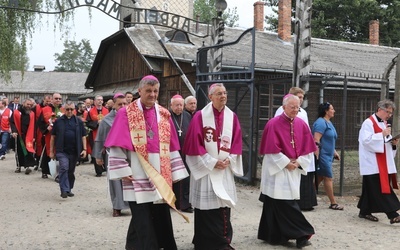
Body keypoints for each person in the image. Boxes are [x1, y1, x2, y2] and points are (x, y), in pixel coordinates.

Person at [105, 75, 189, 250]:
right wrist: (122, 168)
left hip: (160, 173)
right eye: (148, 91)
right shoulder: (126, 113)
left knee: (159, 213)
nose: (152, 94)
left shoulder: (164, 114)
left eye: (155, 91)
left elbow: (172, 145)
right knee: (141, 214)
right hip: (137, 171)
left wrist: (175, 171)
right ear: (140, 91)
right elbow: (117, 142)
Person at [183, 83, 243, 250]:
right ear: (210, 97)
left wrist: (228, 160)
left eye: (224, 93)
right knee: (205, 209)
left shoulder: (232, 117)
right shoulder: (200, 116)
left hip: (224, 168)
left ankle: (221, 242)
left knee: (222, 206)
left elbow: (237, 142)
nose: (223, 96)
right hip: (207, 169)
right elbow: (194, 145)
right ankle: (204, 242)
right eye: (218, 94)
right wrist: (211, 162)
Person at [258, 94, 316, 248]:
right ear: (284, 107)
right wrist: (285, 163)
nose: (295, 110)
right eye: (292, 107)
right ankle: (303, 233)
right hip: (277, 169)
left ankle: (272, 234)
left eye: (298, 107)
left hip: (293, 168)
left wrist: (299, 162)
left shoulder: (302, 125)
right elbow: (270, 150)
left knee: (278, 202)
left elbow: (308, 149)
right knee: (282, 202)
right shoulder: (273, 124)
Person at [358, 99, 400, 223]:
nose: (389, 115)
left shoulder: (384, 124)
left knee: (370, 188)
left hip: (382, 162)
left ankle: (364, 211)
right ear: (379, 109)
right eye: (388, 112)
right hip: (372, 163)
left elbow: (385, 142)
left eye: (391, 113)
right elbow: (365, 141)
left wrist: (393, 143)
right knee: (381, 188)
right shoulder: (368, 123)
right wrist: (381, 135)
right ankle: (392, 214)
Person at [275, 87, 317, 211]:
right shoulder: (281, 111)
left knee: (303, 172)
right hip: (287, 148)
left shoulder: (302, 112)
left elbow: (306, 129)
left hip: (301, 147)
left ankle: (304, 202)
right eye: (299, 97)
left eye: (302, 98)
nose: (301, 100)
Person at [92, 93, 129, 217]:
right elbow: (100, 139)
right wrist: (98, 156)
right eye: (120, 104)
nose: (122, 106)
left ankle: (131, 204)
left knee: (130, 179)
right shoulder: (106, 120)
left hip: (129, 153)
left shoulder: (131, 118)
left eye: (125, 104)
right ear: (114, 104)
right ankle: (117, 206)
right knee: (115, 181)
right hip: (113, 154)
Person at [49, 101, 87, 198]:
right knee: (64, 168)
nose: (69, 111)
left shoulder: (78, 121)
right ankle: (64, 189)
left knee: (70, 171)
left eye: (71, 109)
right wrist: (51, 151)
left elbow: (83, 136)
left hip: (74, 150)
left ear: (74, 109)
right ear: (64, 109)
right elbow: (53, 137)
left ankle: (69, 188)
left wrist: (85, 149)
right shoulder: (58, 121)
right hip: (62, 150)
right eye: (67, 109)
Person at [313, 102, 343, 210]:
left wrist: (334, 152)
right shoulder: (321, 123)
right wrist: (317, 155)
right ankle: (333, 203)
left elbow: (329, 139)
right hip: (323, 155)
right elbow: (316, 139)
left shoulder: (328, 122)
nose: (334, 111)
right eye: (332, 109)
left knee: (320, 177)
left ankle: (305, 196)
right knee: (328, 177)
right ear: (326, 111)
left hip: (329, 155)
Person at [169, 94, 193, 213]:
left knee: (186, 178)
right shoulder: (167, 116)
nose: (179, 107)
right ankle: (171, 202)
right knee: (172, 177)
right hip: (171, 152)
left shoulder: (188, 116)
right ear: (171, 105)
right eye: (177, 105)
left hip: (185, 151)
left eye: (181, 105)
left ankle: (185, 204)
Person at [37, 93, 64, 179]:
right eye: (56, 98)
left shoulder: (64, 109)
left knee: (60, 153)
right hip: (49, 135)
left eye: (59, 99)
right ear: (52, 99)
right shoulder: (45, 109)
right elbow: (40, 122)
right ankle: (45, 171)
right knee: (48, 152)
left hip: (61, 135)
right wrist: (46, 128)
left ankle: (58, 173)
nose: (58, 100)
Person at [10, 98, 37, 174]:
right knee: (18, 151)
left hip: (28, 135)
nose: (29, 106)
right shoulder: (16, 112)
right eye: (27, 104)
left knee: (28, 151)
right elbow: (12, 122)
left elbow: (34, 125)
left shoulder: (32, 114)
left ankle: (27, 166)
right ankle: (18, 166)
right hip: (19, 134)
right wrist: (14, 131)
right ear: (23, 104)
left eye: (30, 105)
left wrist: (34, 136)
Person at [86, 95, 109, 177]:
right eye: (98, 100)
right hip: (95, 134)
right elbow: (88, 123)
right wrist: (96, 123)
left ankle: (106, 168)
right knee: (96, 151)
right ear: (95, 101)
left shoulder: (107, 111)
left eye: (101, 100)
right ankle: (98, 171)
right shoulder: (91, 112)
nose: (100, 101)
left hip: (105, 134)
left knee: (106, 151)